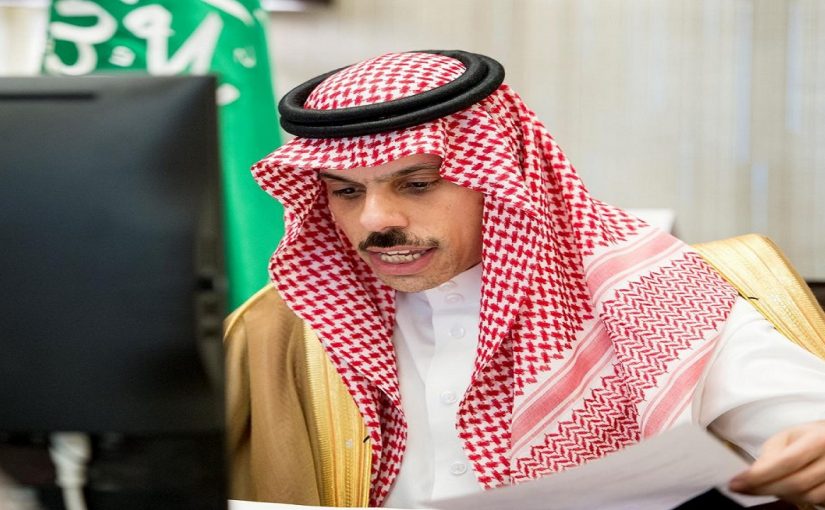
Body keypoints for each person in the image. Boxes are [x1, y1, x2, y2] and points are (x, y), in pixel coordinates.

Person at [224, 50, 825, 508]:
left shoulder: (642, 290)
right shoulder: (282, 329)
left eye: (418, 184)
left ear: (501, 176)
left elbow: (805, 425)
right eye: (346, 192)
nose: (376, 220)